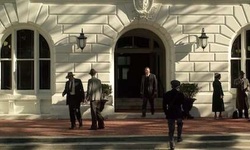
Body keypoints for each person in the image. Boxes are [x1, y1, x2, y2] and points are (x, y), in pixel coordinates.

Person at [163, 80, 185, 150]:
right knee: (180, 124)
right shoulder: (180, 94)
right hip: (178, 112)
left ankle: (172, 144)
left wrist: (166, 112)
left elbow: (164, 105)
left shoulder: (167, 94)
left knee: (171, 129)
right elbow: (183, 105)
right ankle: (179, 137)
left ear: (171, 86)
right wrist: (184, 113)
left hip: (170, 112)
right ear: (178, 86)